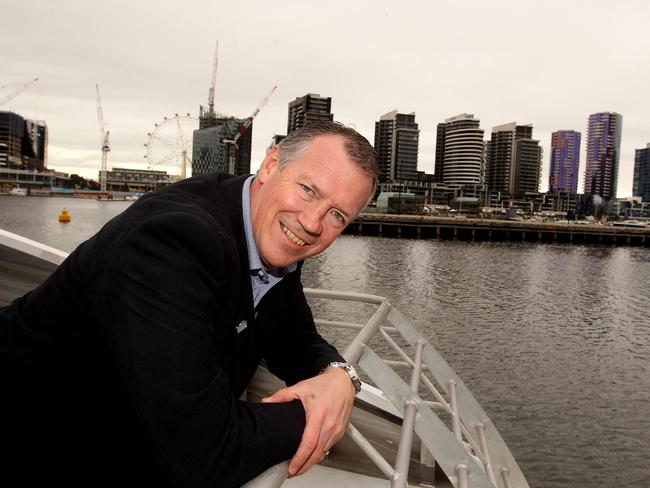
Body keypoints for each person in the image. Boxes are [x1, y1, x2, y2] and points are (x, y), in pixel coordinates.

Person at [0, 121, 377, 487]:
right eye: (309, 190)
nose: (313, 222)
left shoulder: (272, 229)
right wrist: (320, 413)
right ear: (270, 164)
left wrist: (339, 376)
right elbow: (204, 455)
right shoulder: (174, 240)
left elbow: (293, 336)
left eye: (337, 215)